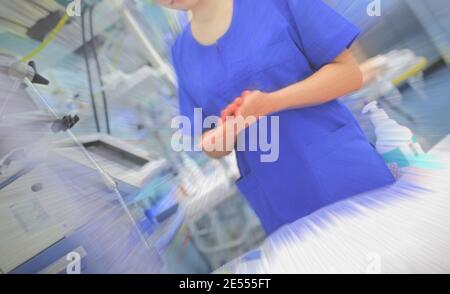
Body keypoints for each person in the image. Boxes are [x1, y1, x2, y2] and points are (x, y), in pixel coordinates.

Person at [158, 0, 395, 234]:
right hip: (278, 200)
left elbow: (348, 74)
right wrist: (227, 131)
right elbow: (210, 143)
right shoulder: (181, 54)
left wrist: (272, 102)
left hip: (339, 168)